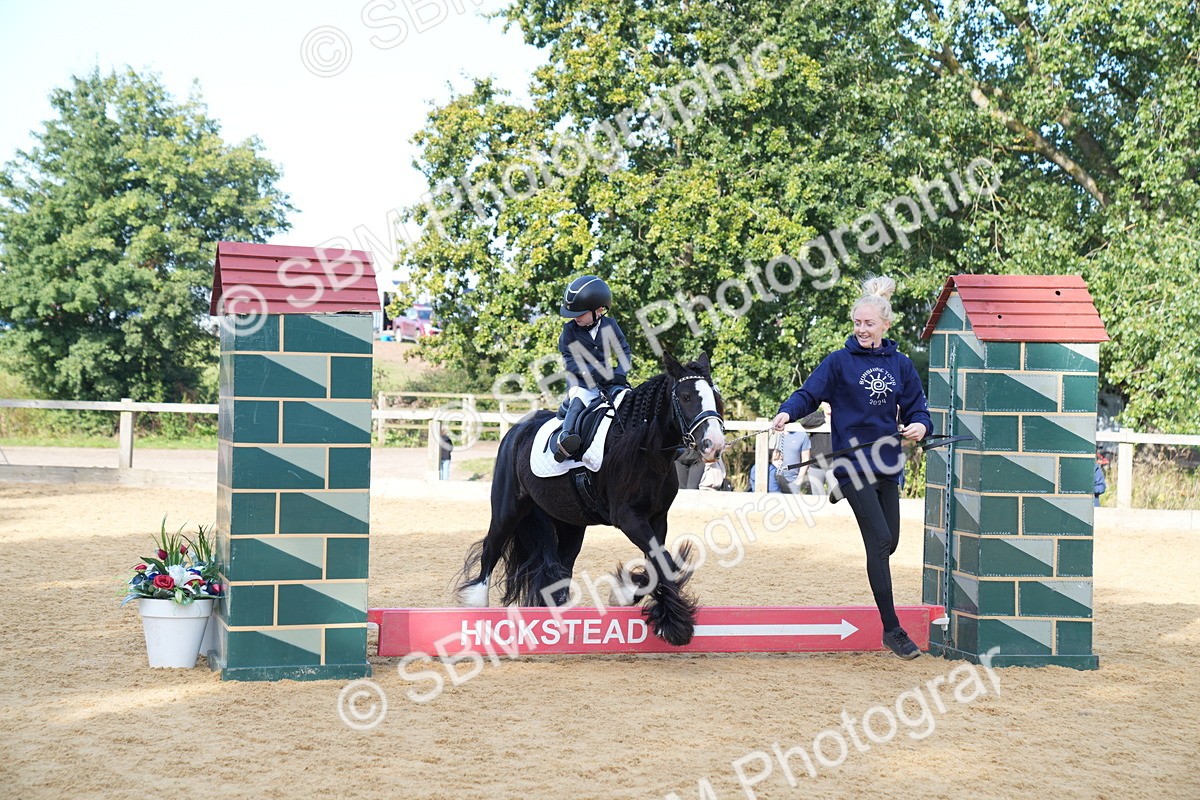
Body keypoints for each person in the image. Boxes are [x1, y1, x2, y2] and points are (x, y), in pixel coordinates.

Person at [771, 276, 932, 660]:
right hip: (851, 462)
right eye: (857, 323)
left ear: (885, 325)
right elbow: (808, 393)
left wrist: (921, 425)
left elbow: (917, 408)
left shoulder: (901, 365)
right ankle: (892, 630)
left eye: (868, 324)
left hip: (887, 463)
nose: (861, 329)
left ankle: (841, 493)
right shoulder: (839, 362)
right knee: (877, 543)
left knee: (889, 543)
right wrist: (787, 412)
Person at [551, 275, 633, 462]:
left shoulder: (610, 325)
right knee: (578, 401)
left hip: (609, 380)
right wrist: (591, 373)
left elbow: (624, 351)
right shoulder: (569, 330)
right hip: (581, 380)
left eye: (579, 314)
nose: (575, 318)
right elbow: (569, 361)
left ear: (599, 310)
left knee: (630, 401)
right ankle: (565, 440)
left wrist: (620, 373)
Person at [799, 403, 834, 495]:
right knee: (817, 496)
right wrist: (824, 420)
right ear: (822, 404)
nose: (828, 405)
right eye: (826, 403)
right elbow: (804, 421)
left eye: (830, 402)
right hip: (816, 465)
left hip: (834, 465)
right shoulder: (817, 415)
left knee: (834, 496)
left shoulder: (839, 416)